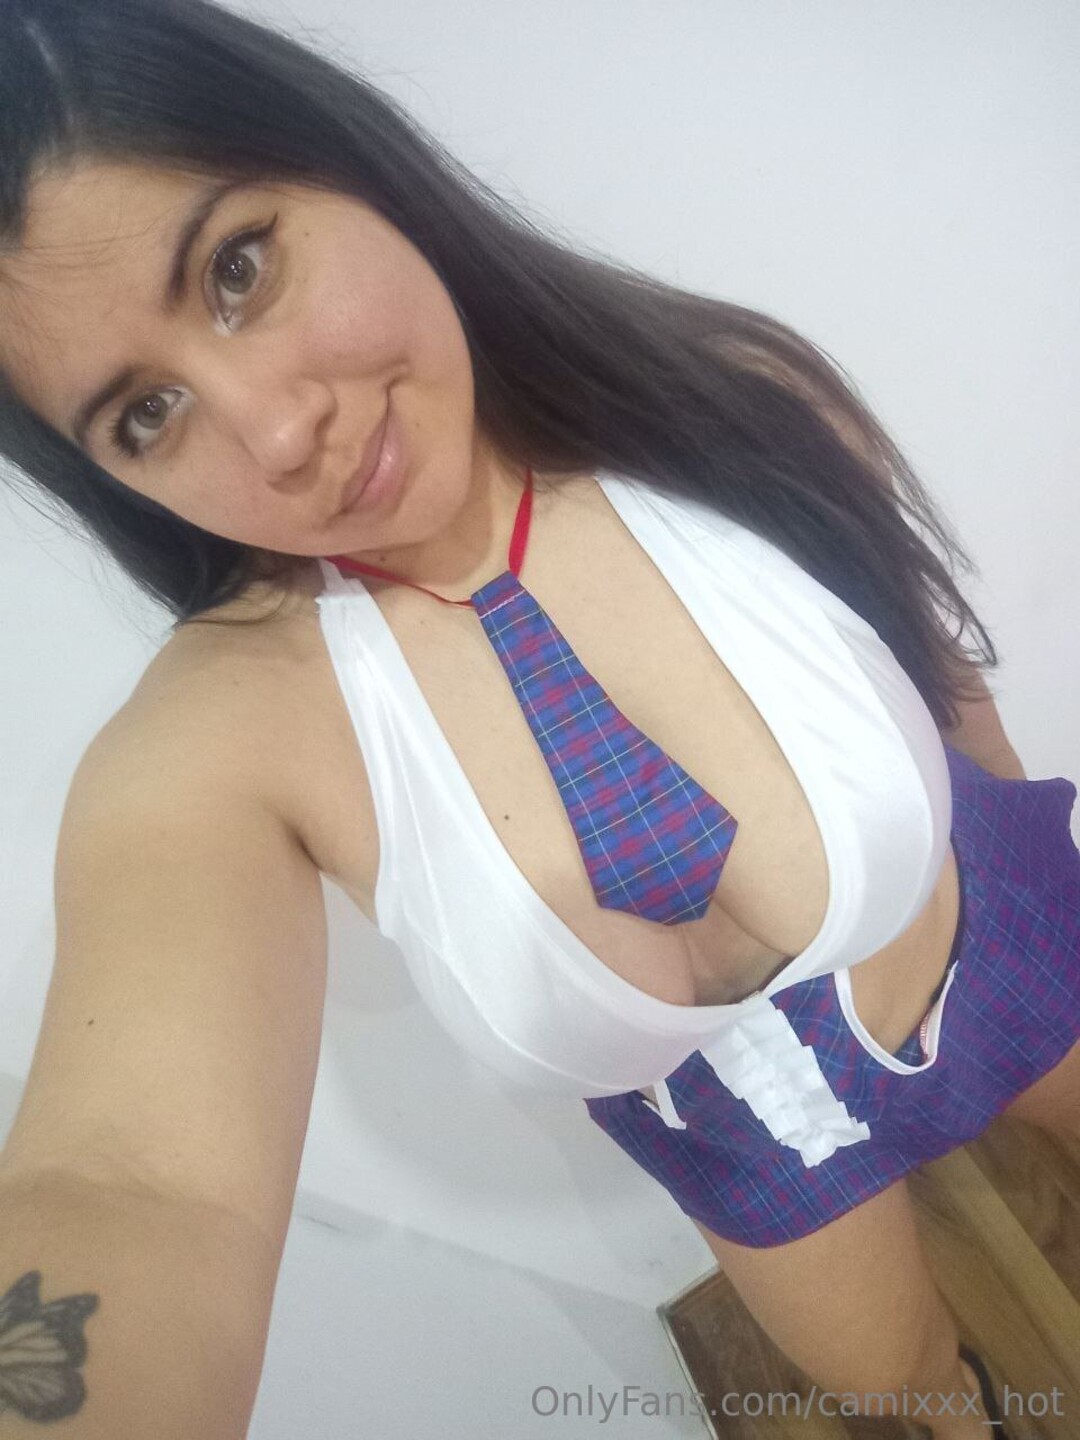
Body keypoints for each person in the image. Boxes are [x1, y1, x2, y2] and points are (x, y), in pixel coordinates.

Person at [0, 1, 1075, 1436]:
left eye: (237, 269)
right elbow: (132, 1180)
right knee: (917, 1393)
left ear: (347, 164)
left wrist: (1030, 847)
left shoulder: (733, 405)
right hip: (763, 1155)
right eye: (146, 413)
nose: (274, 430)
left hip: (1000, 936)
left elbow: (940, 665)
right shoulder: (224, 740)